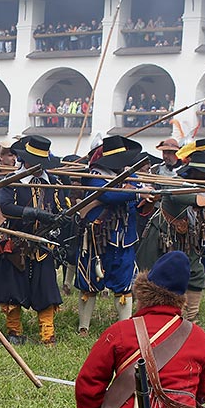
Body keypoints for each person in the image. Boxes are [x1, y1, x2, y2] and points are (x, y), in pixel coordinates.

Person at [60, 251, 205, 408]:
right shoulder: (200, 337)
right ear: (181, 297)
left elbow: (88, 387)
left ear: (144, 292)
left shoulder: (120, 331)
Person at [136, 139, 205, 323]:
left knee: (196, 272)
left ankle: (190, 318)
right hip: (162, 238)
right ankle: (150, 317)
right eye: (203, 173)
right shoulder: (176, 183)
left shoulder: (204, 188)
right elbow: (179, 196)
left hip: (187, 239)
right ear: (193, 171)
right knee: (153, 276)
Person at [0, 136, 65, 345]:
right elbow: (6, 207)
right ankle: (14, 332)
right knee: (12, 289)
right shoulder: (12, 181)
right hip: (17, 242)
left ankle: (47, 334)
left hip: (43, 244)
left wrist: (62, 217)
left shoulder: (53, 183)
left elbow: (60, 207)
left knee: (46, 289)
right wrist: (35, 213)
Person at [73, 136, 147, 335]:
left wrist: (145, 197)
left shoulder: (131, 176)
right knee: (89, 282)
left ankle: (125, 327)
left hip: (125, 238)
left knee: (124, 284)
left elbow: (137, 199)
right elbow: (107, 195)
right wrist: (136, 193)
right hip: (98, 237)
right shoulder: (95, 176)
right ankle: (83, 327)